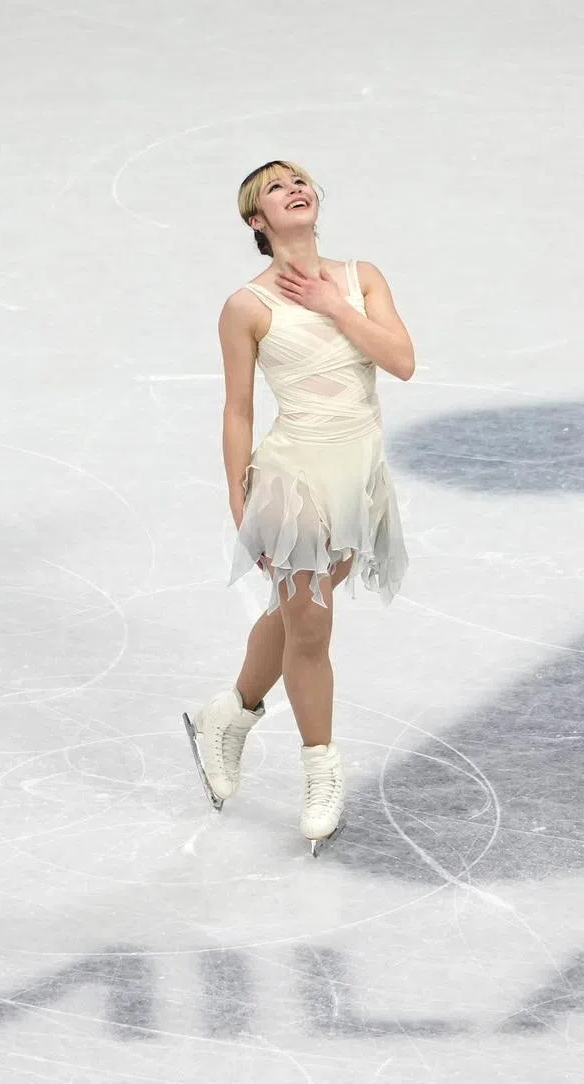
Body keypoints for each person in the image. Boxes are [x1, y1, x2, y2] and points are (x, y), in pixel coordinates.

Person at [182, 159, 414, 855]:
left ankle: (228, 715)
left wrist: (335, 306)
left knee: (294, 615)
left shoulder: (360, 278)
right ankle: (322, 769)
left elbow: (401, 361)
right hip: (292, 477)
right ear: (257, 220)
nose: (295, 188)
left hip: (358, 473)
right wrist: (237, 495)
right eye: (276, 188)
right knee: (311, 626)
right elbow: (237, 408)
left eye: (301, 180)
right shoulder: (247, 307)